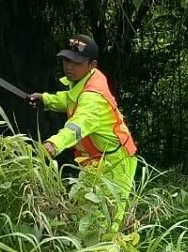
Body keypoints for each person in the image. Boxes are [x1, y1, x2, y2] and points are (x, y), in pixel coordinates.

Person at [28, 34, 138, 224]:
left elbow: (77, 125)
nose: (69, 67)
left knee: (106, 222)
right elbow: (70, 99)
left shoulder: (93, 98)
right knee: (85, 215)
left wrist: (54, 144)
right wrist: (46, 99)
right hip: (95, 161)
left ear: (92, 64)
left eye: (77, 63)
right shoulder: (85, 80)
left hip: (115, 164)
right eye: (66, 60)